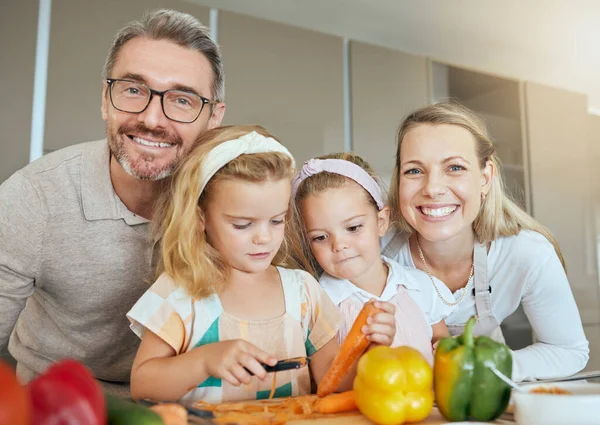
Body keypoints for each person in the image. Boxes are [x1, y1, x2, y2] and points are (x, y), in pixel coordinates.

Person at [0, 9, 226, 393]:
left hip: (188, 406)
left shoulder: (236, 204)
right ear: (106, 99)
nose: (153, 119)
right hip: (60, 403)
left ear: (213, 118)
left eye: (182, 100)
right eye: (134, 90)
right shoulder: (34, 197)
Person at [126, 126, 395, 403]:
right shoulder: (179, 293)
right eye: (242, 225)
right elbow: (143, 384)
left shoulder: (303, 291)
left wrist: (369, 353)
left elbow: (332, 380)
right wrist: (204, 361)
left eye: (277, 220)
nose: (264, 238)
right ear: (200, 218)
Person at [383, 101, 589, 381]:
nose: (432, 188)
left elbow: (568, 350)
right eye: (414, 171)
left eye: (454, 167)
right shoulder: (377, 253)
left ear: (485, 177)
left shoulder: (527, 253)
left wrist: (482, 367)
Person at [291, 152, 454, 365]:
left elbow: (442, 343)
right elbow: (325, 379)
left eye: (353, 227)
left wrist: (448, 348)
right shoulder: (317, 304)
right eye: (320, 237)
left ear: (381, 222)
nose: (339, 245)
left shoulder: (420, 286)